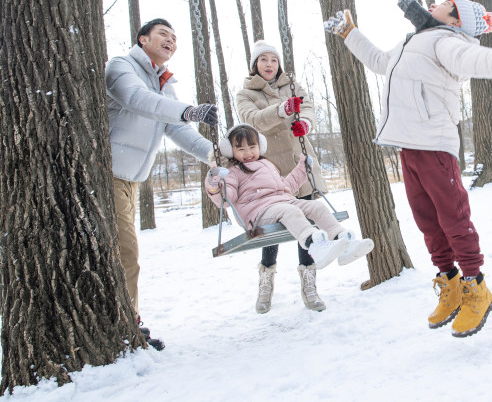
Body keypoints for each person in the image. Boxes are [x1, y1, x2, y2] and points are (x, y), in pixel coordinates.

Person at [323, 0, 492, 337]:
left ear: (456, 19)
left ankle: (476, 288)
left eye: (444, 4)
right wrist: (349, 33)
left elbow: (468, 59)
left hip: (434, 145)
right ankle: (449, 284)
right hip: (409, 147)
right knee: (427, 222)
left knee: (453, 217)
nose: (432, 4)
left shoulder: (446, 41)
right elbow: (377, 61)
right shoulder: (413, 42)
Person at [105, 18, 218, 350]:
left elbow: (177, 129)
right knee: (126, 253)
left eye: (174, 37)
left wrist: (216, 154)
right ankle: (129, 325)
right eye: (163, 35)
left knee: (123, 253)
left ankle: (126, 320)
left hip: (131, 181)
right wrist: (189, 111)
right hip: (109, 176)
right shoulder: (121, 67)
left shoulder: (162, 83)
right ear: (143, 40)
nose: (171, 41)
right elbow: (138, 101)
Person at [236, 41, 340, 313]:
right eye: (263, 60)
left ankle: (309, 284)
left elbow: (308, 108)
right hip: (269, 170)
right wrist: (282, 110)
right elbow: (253, 120)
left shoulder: (291, 85)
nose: (269, 64)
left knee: (305, 224)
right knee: (273, 232)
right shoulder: (246, 93)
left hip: (298, 163)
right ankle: (266, 280)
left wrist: (305, 122)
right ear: (254, 65)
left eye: (273, 59)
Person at [204, 124, 373, 284]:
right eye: (241, 149)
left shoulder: (267, 164)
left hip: (283, 202)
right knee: (290, 210)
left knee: (316, 206)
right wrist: (213, 185)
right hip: (259, 214)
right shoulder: (233, 172)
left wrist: (302, 169)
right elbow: (227, 198)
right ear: (230, 150)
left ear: (260, 146)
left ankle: (343, 242)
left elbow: (285, 186)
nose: (248, 153)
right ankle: (314, 246)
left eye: (252, 147)